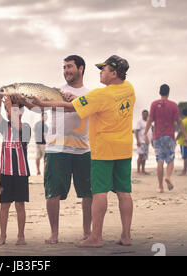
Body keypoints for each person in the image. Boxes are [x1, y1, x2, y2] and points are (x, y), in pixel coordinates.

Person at [31, 55, 135, 248]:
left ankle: (95, 236)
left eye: (104, 70)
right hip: (124, 149)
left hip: (103, 150)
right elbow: (92, 104)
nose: (101, 72)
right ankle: (126, 236)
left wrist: (44, 103)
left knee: (98, 193)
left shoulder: (100, 95)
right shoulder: (129, 89)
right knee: (124, 192)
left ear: (114, 73)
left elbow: (72, 107)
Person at [16, 55, 93, 244]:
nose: (66, 70)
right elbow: (38, 108)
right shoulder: (55, 90)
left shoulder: (89, 94)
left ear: (81, 69)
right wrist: (23, 101)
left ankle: (87, 231)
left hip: (83, 149)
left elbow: (74, 109)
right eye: (64, 67)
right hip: (56, 148)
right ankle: (54, 234)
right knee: (52, 192)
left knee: (87, 193)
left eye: (70, 66)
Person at [0, 94, 31, 246]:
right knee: (4, 205)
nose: (9, 113)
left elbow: (18, 126)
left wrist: (10, 107)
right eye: (8, 111)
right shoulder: (4, 127)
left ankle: (21, 236)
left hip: (21, 173)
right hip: (6, 173)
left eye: (14, 111)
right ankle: (2, 236)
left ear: (20, 113)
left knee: (20, 205)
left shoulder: (26, 128)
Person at [143, 84, 187, 193]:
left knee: (160, 160)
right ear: (168, 93)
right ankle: (168, 176)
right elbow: (179, 122)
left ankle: (160, 187)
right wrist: (185, 136)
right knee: (170, 159)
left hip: (157, 136)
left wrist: (145, 133)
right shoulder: (173, 105)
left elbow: (150, 120)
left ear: (160, 92)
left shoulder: (154, 104)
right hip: (169, 136)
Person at [134, 110, 153, 175]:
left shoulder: (149, 122)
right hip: (141, 141)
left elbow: (151, 131)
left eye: (146, 114)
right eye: (144, 114)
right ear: (142, 115)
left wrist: (152, 141)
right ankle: (138, 170)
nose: (145, 115)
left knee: (145, 156)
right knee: (140, 155)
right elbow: (136, 131)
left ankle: (143, 170)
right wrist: (137, 140)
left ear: (148, 115)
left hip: (147, 142)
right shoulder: (140, 122)